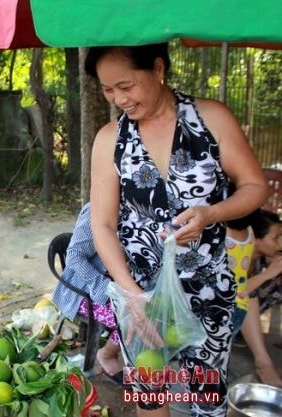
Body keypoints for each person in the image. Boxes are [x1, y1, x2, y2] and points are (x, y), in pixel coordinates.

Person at [85, 42, 269, 417]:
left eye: (126, 85)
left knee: (206, 392)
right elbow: (101, 225)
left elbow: (254, 187)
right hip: (143, 295)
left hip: (207, 291)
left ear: (157, 68)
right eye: (107, 89)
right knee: (149, 393)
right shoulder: (109, 140)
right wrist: (132, 295)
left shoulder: (211, 119)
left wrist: (211, 213)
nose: (119, 99)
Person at [51, 203, 122, 379]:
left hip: (115, 287)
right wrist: (104, 286)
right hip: (83, 293)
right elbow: (74, 256)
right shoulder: (98, 209)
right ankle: (107, 354)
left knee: (151, 314)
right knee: (131, 320)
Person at [238, 209, 282, 387]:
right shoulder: (235, 253)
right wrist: (267, 275)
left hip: (239, 318)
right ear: (256, 240)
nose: (279, 243)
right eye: (275, 237)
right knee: (251, 295)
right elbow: (229, 295)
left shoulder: (262, 259)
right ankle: (263, 363)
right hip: (218, 317)